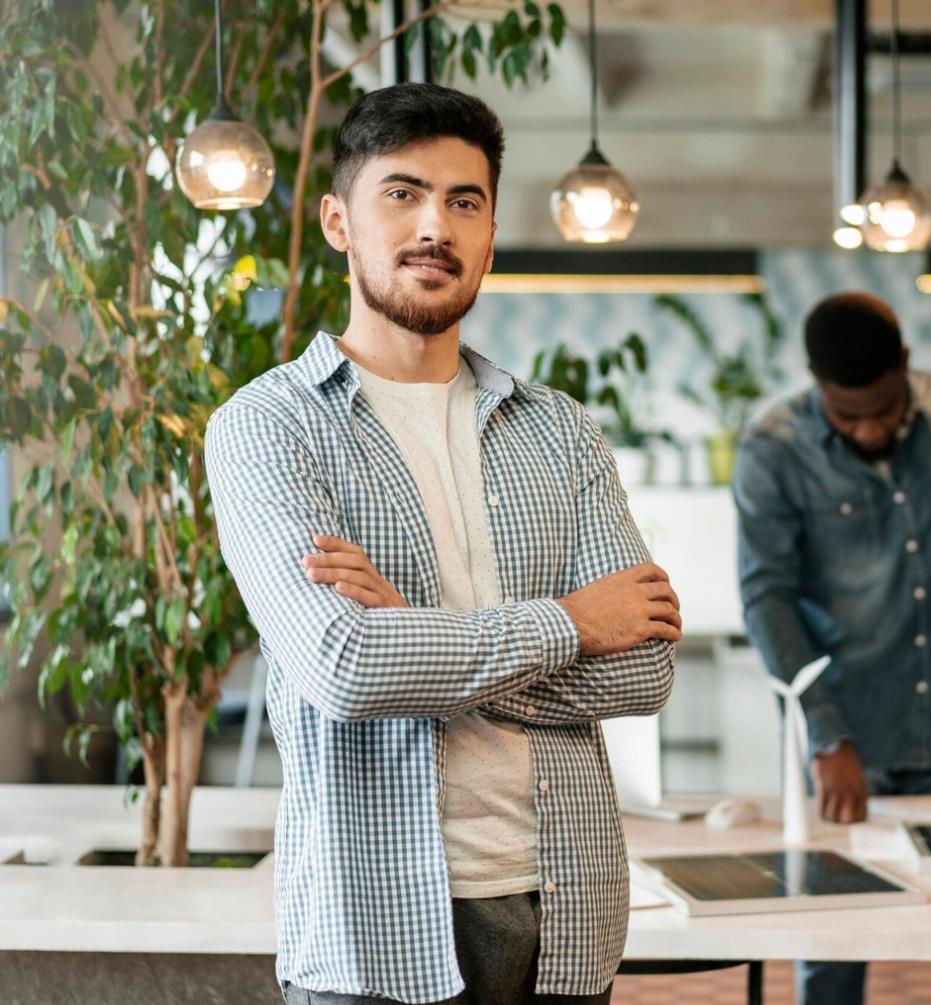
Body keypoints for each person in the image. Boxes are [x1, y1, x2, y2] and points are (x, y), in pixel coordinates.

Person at [205, 83, 681, 1005]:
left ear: (491, 236)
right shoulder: (268, 425)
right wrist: (574, 622)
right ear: (339, 222)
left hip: (567, 913)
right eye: (403, 193)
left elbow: (644, 669)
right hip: (371, 926)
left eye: (465, 201)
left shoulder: (559, 429)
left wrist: (418, 636)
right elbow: (347, 665)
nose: (436, 225)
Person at [733, 291, 931, 1005]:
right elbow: (767, 599)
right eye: (846, 416)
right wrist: (826, 733)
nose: (867, 430)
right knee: (834, 937)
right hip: (845, 736)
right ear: (816, 384)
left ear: (906, 366)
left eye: (884, 411)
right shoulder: (772, 447)